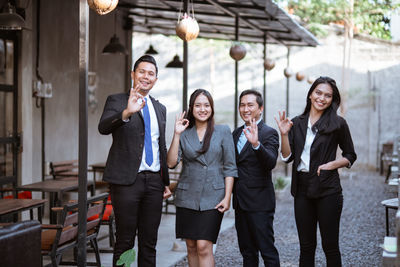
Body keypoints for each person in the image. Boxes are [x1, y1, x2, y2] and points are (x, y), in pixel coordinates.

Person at [275, 76, 357, 267]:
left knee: (330, 246)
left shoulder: (338, 123)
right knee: (306, 247)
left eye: (328, 95)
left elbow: (350, 155)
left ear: (332, 100)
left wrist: (331, 165)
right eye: (318, 93)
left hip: (328, 189)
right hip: (302, 189)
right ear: (310, 94)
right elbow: (287, 157)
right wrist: (284, 134)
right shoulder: (296, 122)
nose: (322, 98)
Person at [98, 55, 171, 267]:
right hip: (126, 182)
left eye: (151, 74)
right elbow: (103, 127)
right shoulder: (117, 101)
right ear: (133, 74)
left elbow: (160, 146)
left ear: (155, 79)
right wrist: (127, 112)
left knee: (149, 242)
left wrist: (164, 181)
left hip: (154, 183)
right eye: (142, 72)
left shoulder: (160, 108)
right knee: (125, 241)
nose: (146, 77)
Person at [167, 89, 237, 267]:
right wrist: (176, 134)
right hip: (186, 196)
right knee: (191, 246)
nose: (202, 109)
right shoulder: (184, 132)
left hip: (213, 197)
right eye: (198, 105)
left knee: (204, 246)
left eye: (206, 105)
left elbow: (230, 167)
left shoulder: (223, 131)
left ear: (212, 108)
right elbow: (171, 163)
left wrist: (227, 197)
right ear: (191, 108)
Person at [232, 89, 280, 267]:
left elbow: (270, 162)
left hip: (260, 202)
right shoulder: (236, 133)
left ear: (260, 108)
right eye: (242, 105)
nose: (245, 109)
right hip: (240, 202)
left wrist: (256, 144)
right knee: (247, 252)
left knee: (267, 251)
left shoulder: (269, 133)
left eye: (250, 105)